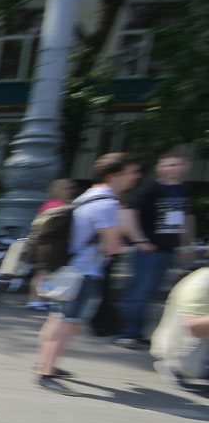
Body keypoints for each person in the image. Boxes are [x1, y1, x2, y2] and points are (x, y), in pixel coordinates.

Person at [34, 153, 140, 394]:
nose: (136, 176)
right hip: (84, 273)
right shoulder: (108, 203)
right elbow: (111, 246)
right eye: (132, 172)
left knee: (58, 320)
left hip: (70, 269)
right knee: (66, 322)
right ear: (114, 175)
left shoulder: (87, 197)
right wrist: (132, 247)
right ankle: (45, 372)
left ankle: (46, 364)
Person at [113, 151, 196, 349]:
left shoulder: (185, 190)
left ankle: (138, 332)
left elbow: (187, 219)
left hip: (169, 250)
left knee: (151, 293)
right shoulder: (150, 189)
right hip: (149, 251)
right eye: (166, 165)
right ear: (159, 168)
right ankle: (126, 332)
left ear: (185, 167)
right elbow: (128, 214)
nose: (169, 169)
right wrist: (140, 240)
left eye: (174, 165)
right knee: (138, 292)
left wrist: (186, 244)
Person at [150, 267, 209, 393]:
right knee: (190, 367)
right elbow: (193, 327)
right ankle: (173, 367)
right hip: (182, 352)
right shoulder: (200, 284)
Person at [28, 179, 79, 310]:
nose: (72, 190)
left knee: (44, 274)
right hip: (50, 246)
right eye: (68, 188)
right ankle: (37, 300)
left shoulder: (49, 205)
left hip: (44, 245)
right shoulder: (59, 206)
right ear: (60, 190)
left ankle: (40, 300)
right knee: (44, 274)